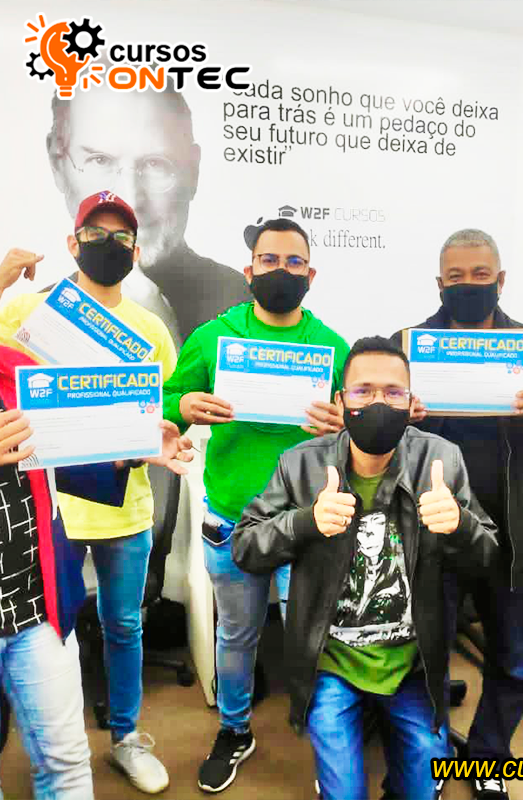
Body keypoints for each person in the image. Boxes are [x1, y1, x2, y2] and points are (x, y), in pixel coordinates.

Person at [232, 336, 498, 800]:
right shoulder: (300, 464)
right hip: (331, 662)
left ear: (411, 403)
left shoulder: (441, 459)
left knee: (419, 791)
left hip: (412, 664)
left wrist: (460, 526)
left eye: (393, 392)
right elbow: (245, 547)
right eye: (363, 391)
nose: (378, 403)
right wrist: (305, 523)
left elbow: (487, 554)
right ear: (341, 401)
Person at [162, 216, 349, 793]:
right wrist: (183, 405)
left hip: (306, 522)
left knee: (314, 637)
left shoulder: (333, 346)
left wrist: (346, 424)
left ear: (311, 276)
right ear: (249, 271)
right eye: (270, 261)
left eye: (294, 263)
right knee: (237, 636)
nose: (281, 271)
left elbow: (360, 433)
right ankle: (235, 730)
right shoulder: (214, 338)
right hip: (233, 520)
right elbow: (164, 403)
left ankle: (329, 745)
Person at [391, 228, 523, 800]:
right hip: (428, 533)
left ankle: (491, 754)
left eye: (480, 275)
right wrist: (400, 419)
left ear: (500, 281)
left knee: (509, 657)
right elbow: (372, 444)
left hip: (510, 534)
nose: (468, 285)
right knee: (422, 654)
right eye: (456, 276)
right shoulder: (406, 348)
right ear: (439, 283)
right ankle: (428, 755)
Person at [0, 192, 179, 794]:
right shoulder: (27, 309)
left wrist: (164, 426)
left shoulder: (150, 329)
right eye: (95, 233)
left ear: (136, 250)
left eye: (121, 236)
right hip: (47, 509)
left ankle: (126, 737)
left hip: (125, 504)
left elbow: (159, 409)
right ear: (72, 243)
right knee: (52, 637)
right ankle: (56, 744)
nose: (109, 244)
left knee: (124, 625)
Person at [46, 79, 250, 343]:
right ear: (58, 165)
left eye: (156, 164)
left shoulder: (246, 305)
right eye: (99, 160)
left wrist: (161, 331)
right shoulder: (39, 316)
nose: (130, 200)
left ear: (193, 171)